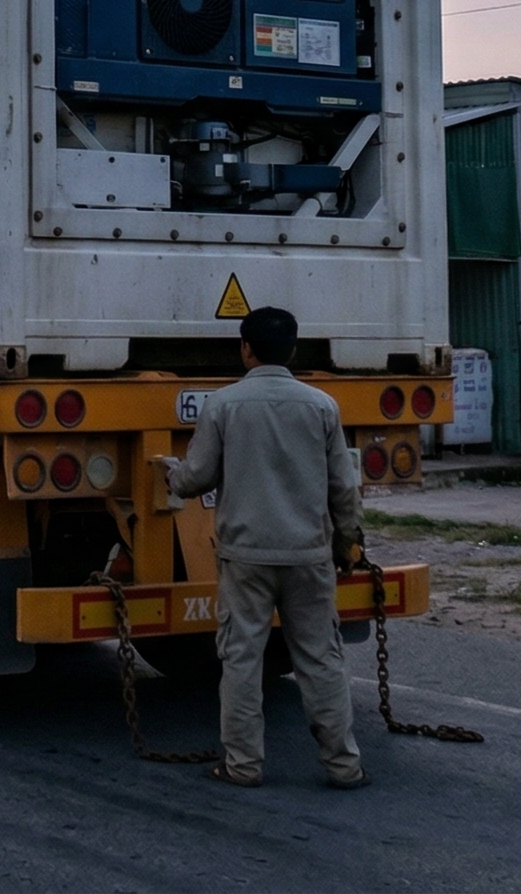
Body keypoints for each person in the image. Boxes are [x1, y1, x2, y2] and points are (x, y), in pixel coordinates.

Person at [155, 306, 367, 791]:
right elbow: (343, 488)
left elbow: (197, 477)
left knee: (242, 659)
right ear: (293, 350)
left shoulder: (224, 405)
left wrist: (172, 471)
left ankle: (243, 765)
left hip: (246, 557)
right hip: (308, 555)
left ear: (245, 349)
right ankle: (343, 765)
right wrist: (348, 543)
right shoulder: (321, 406)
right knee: (320, 659)